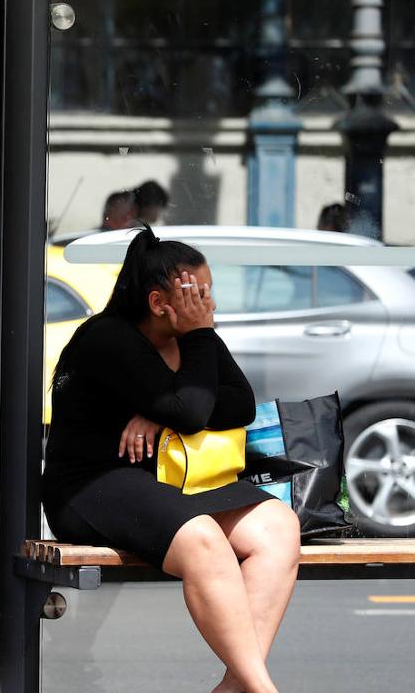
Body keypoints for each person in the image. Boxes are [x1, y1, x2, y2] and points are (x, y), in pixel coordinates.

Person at [43, 227, 300, 693]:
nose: (211, 307)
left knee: (279, 526)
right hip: (92, 486)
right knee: (203, 539)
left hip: (169, 484)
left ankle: (236, 686)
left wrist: (162, 416)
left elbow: (238, 404)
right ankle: (262, 689)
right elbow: (193, 410)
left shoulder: (195, 337)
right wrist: (176, 409)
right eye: (199, 294)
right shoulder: (108, 338)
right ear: (161, 302)